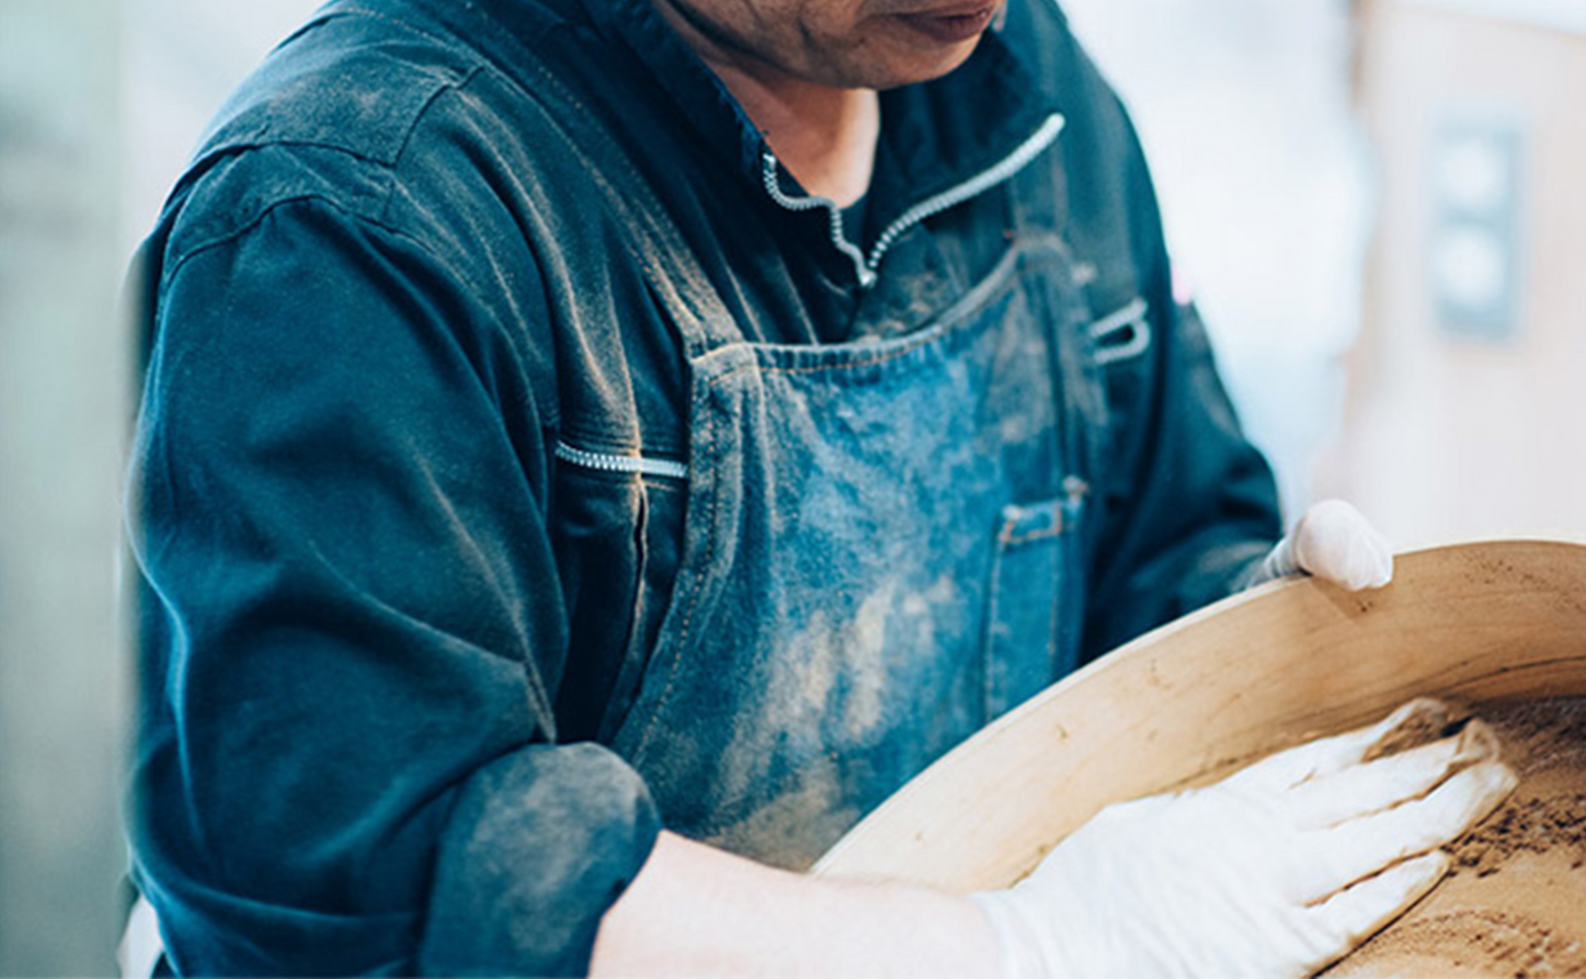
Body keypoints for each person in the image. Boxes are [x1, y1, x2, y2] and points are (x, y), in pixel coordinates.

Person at [123, 0, 1514, 973]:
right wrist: (1035, 947)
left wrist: (1238, 634)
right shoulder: (356, 212)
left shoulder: (1030, 97)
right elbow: (373, 890)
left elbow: (1155, 534)